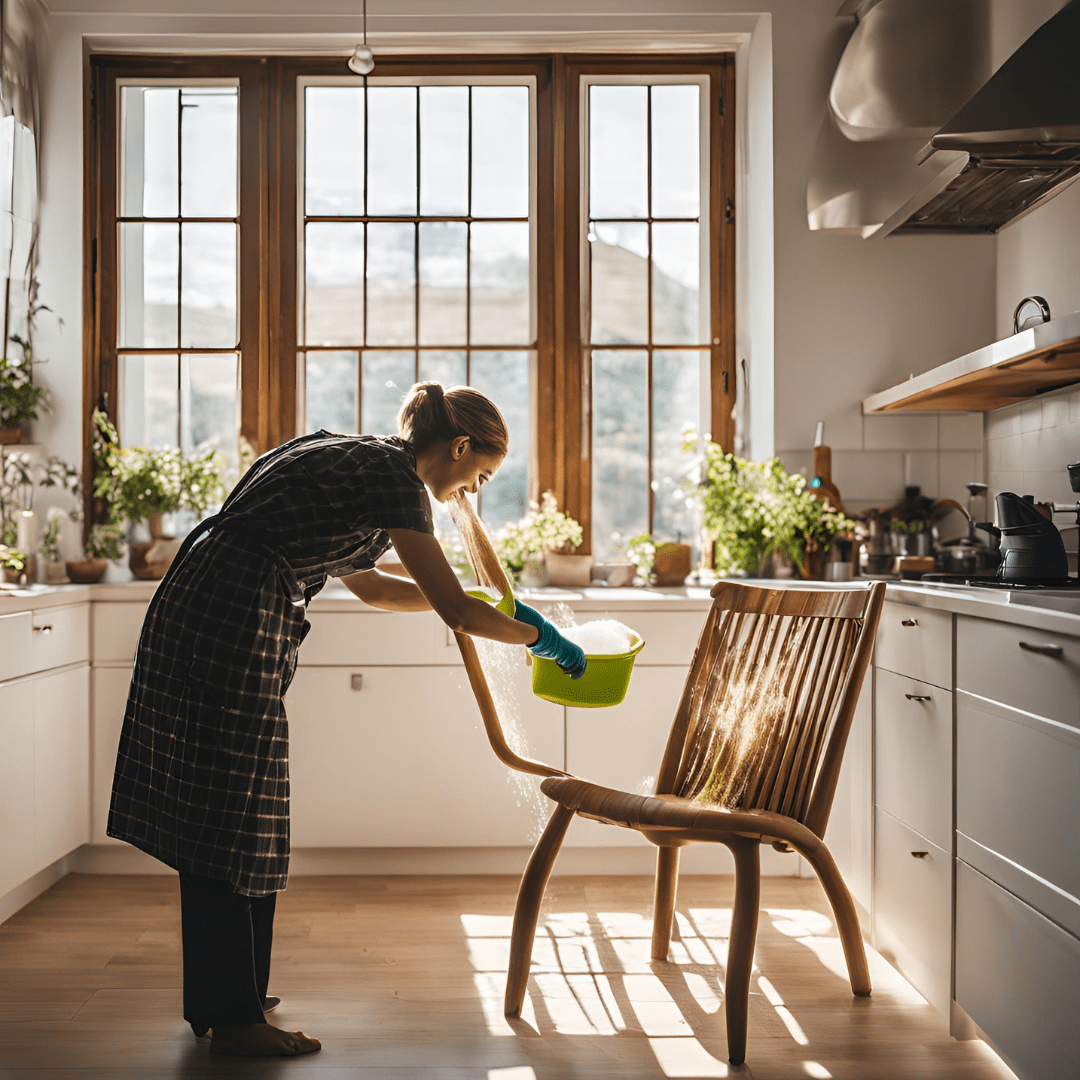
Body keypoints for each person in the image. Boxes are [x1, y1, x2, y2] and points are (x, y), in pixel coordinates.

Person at [107, 382, 586, 1058]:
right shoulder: (396, 480)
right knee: (226, 807)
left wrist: (471, 597)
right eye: (478, 476)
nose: (469, 494)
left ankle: (236, 991)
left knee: (243, 802)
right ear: (457, 446)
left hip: (214, 599)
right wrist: (541, 641)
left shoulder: (362, 462)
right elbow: (455, 614)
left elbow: (377, 589)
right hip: (230, 610)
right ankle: (233, 1014)